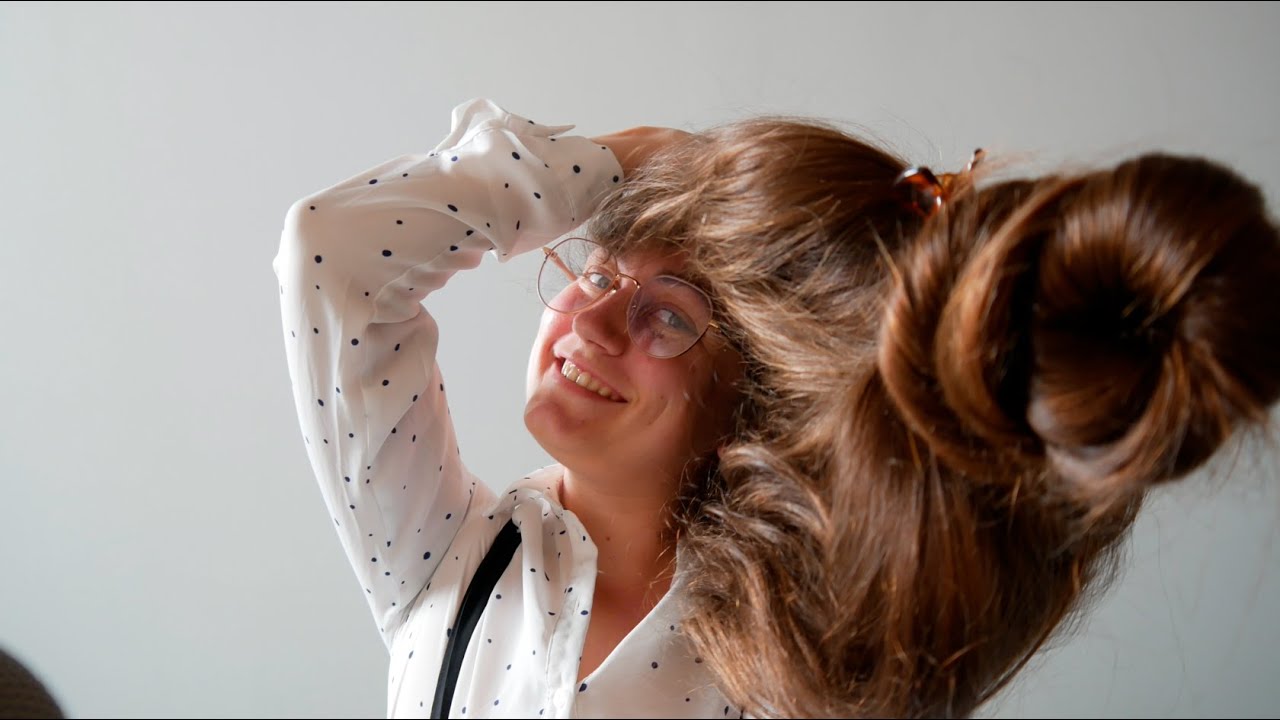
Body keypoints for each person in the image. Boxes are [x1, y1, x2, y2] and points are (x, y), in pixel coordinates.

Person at [271, 98, 1280, 719]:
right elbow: (334, 257)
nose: (592, 316)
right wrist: (639, 164)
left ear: (751, 402)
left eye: (669, 317)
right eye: (598, 270)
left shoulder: (793, 669)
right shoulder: (444, 559)